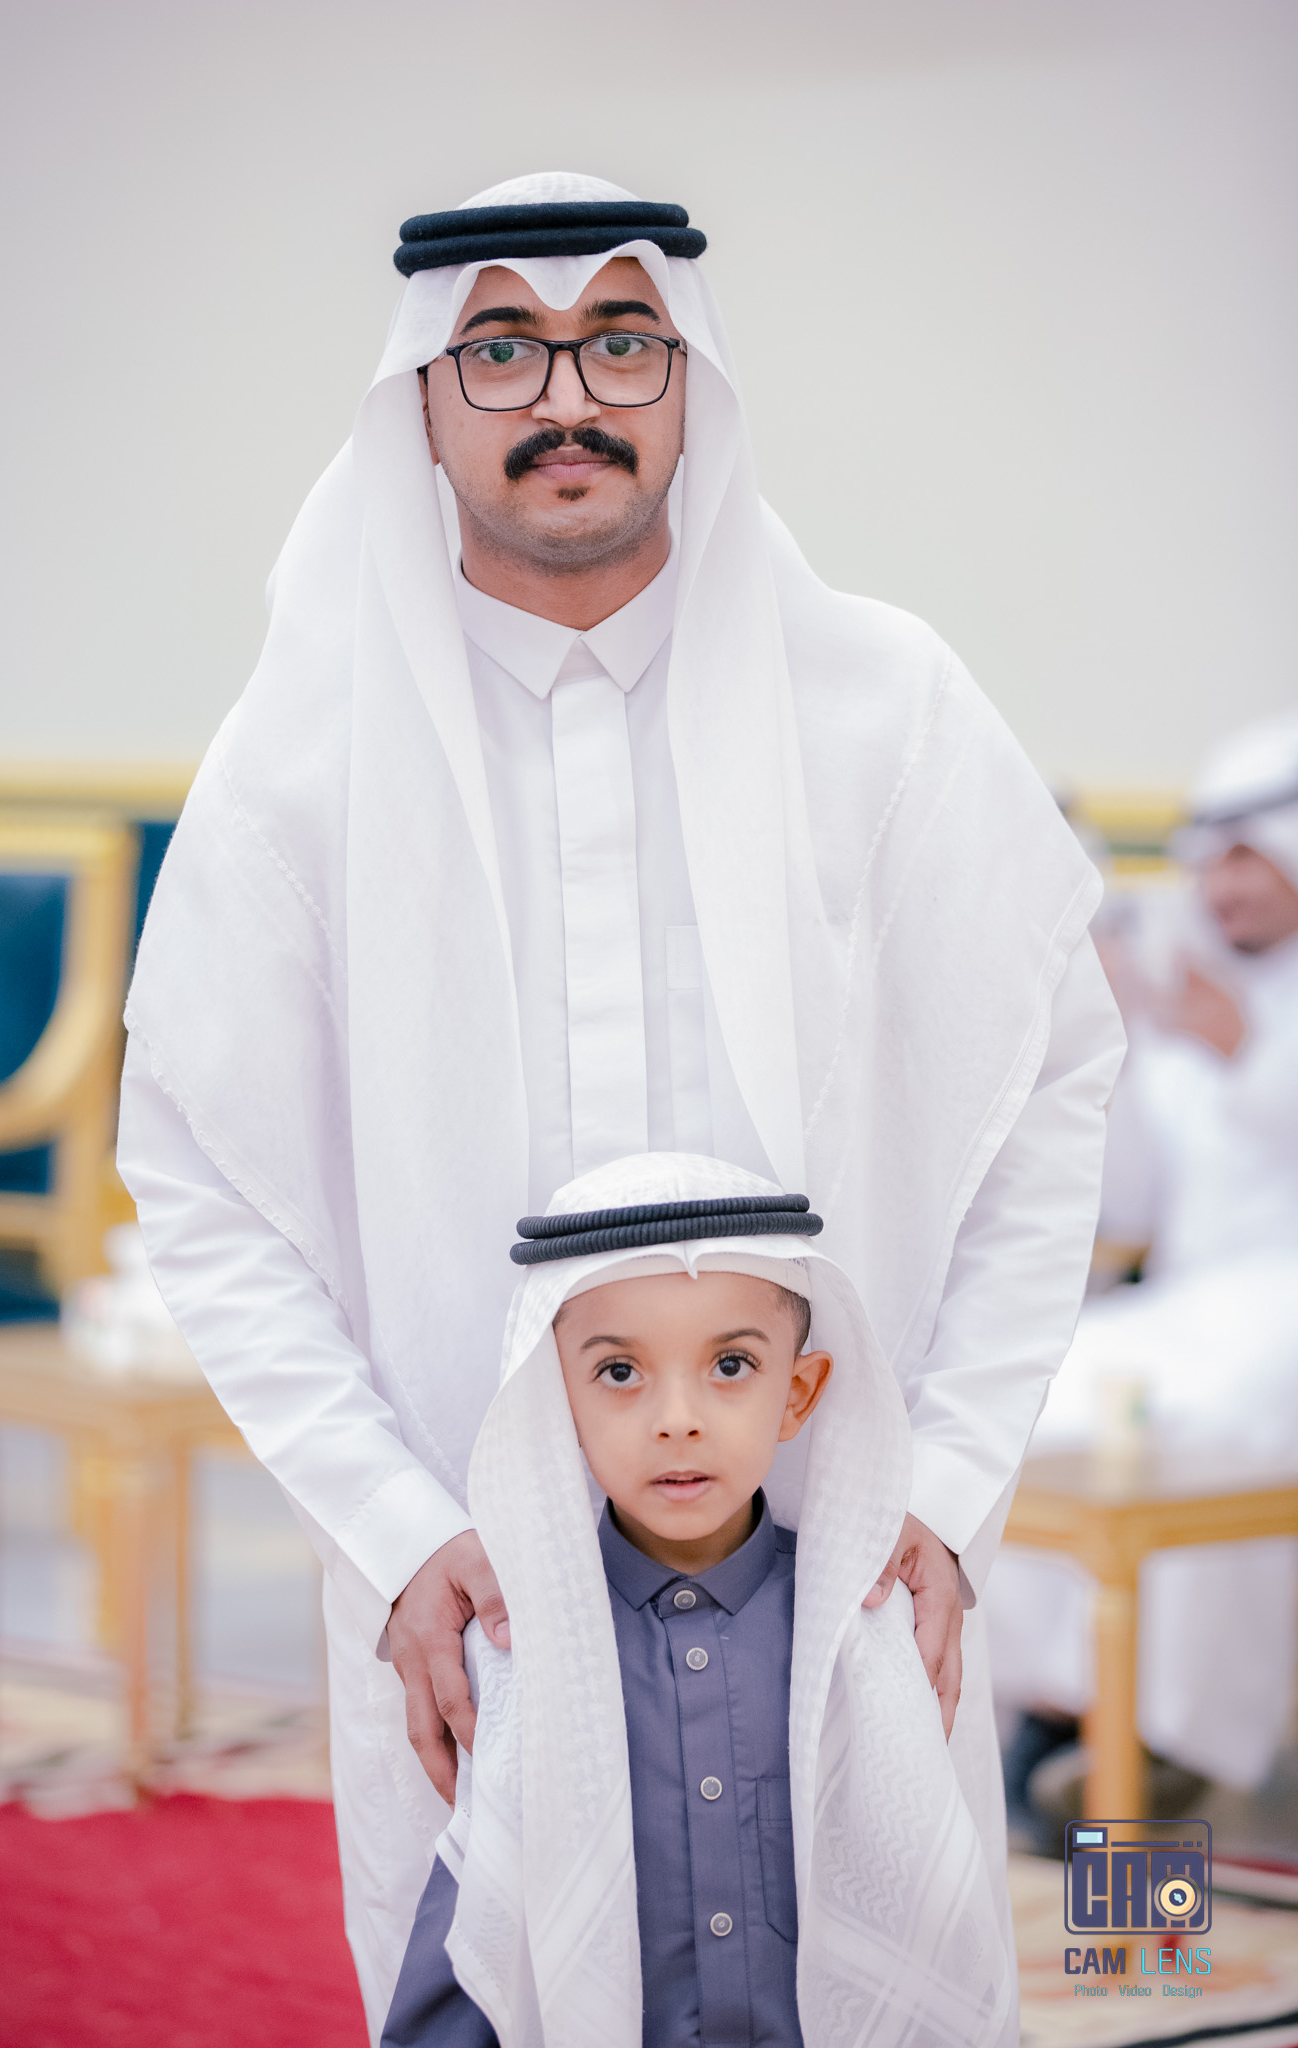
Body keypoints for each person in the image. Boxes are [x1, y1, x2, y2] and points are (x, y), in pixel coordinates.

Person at [117, 170, 1124, 2030]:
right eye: (503, 347)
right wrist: (394, 1531)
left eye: (619, 343)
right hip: (472, 1569)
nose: (565, 395)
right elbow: (203, 1181)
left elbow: (1047, 1094)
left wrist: (943, 1483)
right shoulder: (300, 762)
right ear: (424, 399)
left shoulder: (884, 707)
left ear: (690, 379)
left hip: (839, 1545)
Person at [382, 1152, 1016, 2048]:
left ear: (797, 1393)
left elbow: (920, 1931)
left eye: (729, 1364)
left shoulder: (859, 1634)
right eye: (618, 1372)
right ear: (557, 1402)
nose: (676, 1418)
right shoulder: (519, 1650)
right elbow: (479, 1941)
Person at [986, 708, 1298, 1807]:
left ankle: (1178, 1738)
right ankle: (1055, 1702)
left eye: (1250, 861)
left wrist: (1243, 1052)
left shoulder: (1231, 1017)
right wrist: (1104, 1051)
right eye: (1213, 863)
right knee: (1039, 1385)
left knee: (1215, 1419)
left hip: (1279, 1312)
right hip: (1194, 1301)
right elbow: (1128, 1201)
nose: (1224, 888)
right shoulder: (1186, 997)